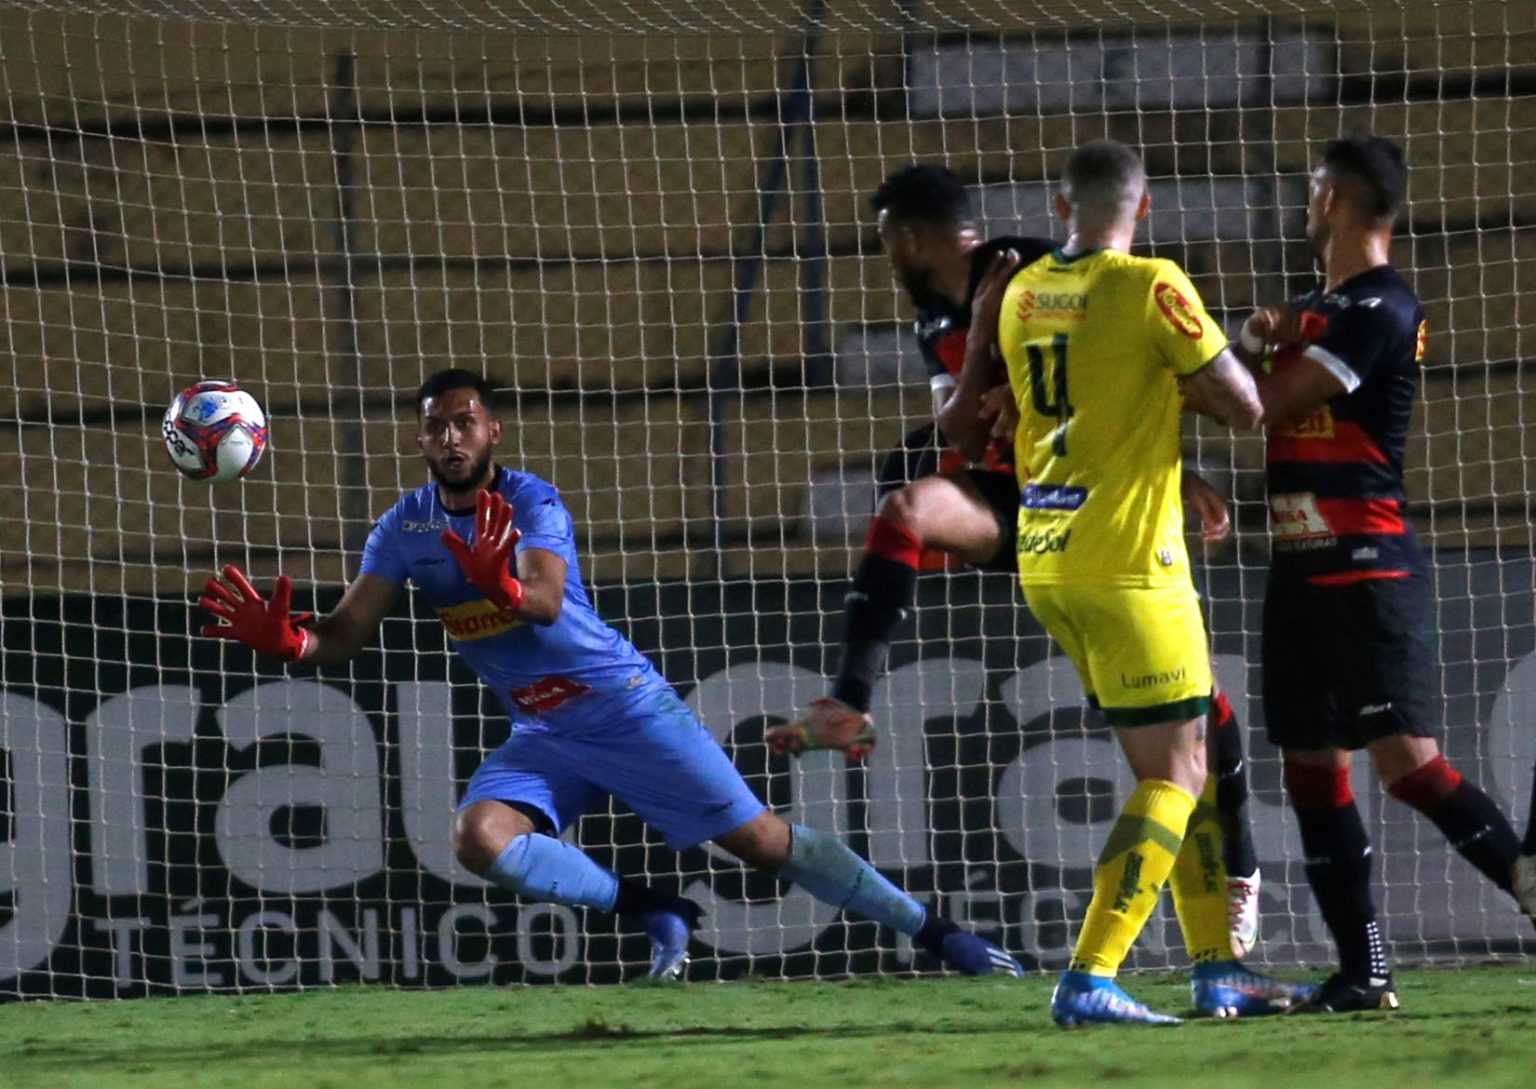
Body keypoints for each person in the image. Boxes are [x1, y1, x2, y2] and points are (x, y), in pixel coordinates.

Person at [199, 368, 1023, 982]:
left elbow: (549, 601)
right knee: (478, 837)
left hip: (620, 702)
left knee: (762, 844)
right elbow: (345, 632)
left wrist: (502, 583)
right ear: (420, 442)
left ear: (494, 433)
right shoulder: (403, 526)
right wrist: (293, 643)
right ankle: (652, 907)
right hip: (544, 727)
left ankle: (942, 935)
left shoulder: (531, 501)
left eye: (465, 422)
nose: (450, 437)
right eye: (435, 427)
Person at [771, 162, 1263, 958]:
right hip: (1029, 510)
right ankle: (848, 699)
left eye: (885, 239)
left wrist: (1182, 474)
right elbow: (964, 429)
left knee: (1192, 714)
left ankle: (1234, 866)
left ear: (906, 236)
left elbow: (1124, 374)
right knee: (905, 505)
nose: (884, 253)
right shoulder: (938, 317)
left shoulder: (1039, 272)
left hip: (1096, 506)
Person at [939, 139, 1312, 1025]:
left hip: (1049, 555)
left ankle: (1219, 967)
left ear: (1062, 209)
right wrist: (1211, 358)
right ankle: (1091, 976)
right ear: (1141, 211)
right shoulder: (1154, 285)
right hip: (1132, 561)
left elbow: (961, 430)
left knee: (1186, 755)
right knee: (1181, 772)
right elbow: (1246, 404)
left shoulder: (1021, 293)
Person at [1233, 136, 1532, 1012]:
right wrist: (1264, 331)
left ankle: (1526, 886)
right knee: (1307, 765)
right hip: (1298, 564)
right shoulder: (1320, 307)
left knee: (1408, 766)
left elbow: (1268, 405)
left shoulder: (1384, 304)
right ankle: (1365, 972)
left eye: (1312, 190)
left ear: (1331, 199)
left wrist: (1236, 350)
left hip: (1367, 563)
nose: (1306, 202)